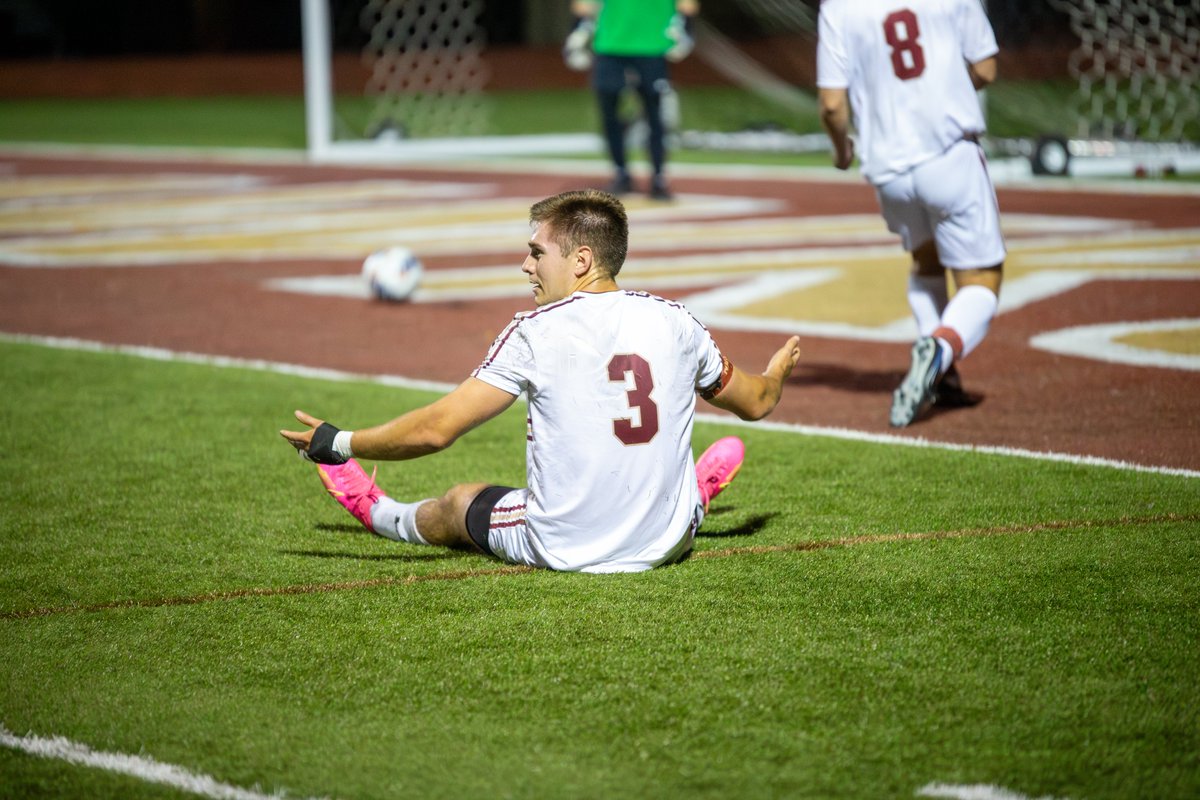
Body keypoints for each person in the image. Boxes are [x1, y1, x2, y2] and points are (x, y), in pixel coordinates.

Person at [281, 190, 802, 574]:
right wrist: (777, 372)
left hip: (568, 549)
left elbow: (436, 430)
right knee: (663, 475)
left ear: (581, 261)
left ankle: (380, 513)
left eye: (536, 252)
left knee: (463, 500)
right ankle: (694, 496)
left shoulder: (535, 331)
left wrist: (339, 443)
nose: (524, 265)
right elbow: (756, 403)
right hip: (668, 544)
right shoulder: (676, 319)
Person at [816, 0, 1005, 427]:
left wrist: (842, 147)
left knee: (926, 261)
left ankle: (944, 377)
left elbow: (831, 104)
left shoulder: (838, 6)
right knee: (983, 280)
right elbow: (986, 68)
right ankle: (941, 349)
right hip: (948, 151)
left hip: (887, 166)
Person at [563, 0, 700, 201]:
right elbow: (583, 5)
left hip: (652, 46)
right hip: (610, 45)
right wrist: (578, 30)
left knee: (655, 113)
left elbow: (687, 5)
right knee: (609, 110)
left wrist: (686, 28)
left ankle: (658, 177)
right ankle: (621, 173)